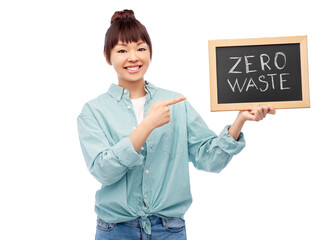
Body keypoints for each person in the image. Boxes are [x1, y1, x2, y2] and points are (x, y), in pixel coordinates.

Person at [77, 9, 275, 240]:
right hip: (116, 230)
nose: (133, 57)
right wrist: (147, 125)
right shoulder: (93, 111)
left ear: (150, 52)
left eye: (141, 48)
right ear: (107, 55)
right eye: (122, 50)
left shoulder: (176, 103)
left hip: (168, 230)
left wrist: (240, 119)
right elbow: (103, 171)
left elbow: (208, 159)